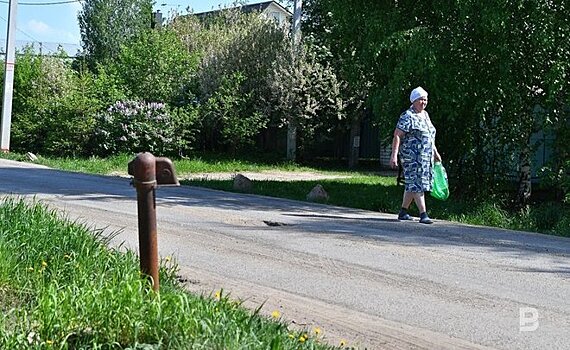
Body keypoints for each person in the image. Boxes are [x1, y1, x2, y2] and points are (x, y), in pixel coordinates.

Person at [389, 86, 441, 224]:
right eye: (421, 99)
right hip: (411, 157)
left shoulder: (425, 115)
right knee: (416, 183)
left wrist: (435, 152)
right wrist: (394, 156)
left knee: (413, 184)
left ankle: (403, 211)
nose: (424, 102)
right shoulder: (407, 116)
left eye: (425, 99)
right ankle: (423, 214)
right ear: (414, 100)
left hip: (425, 157)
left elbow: (429, 136)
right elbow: (397, 135)